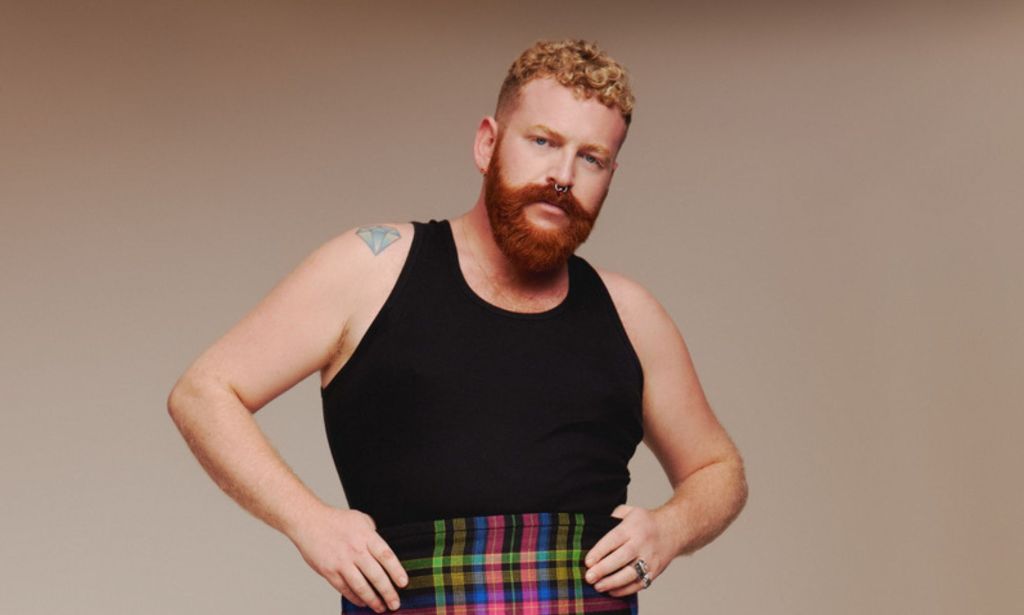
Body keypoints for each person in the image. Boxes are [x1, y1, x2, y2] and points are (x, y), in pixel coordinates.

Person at [168, 39, 748, 614]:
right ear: (487, 143)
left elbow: (718, 471)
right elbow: (203, 392)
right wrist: (310, 523)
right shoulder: (372, 268)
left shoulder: (630, 312)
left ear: (610, 174)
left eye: (591, 157)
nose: (563, 176)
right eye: (543, 141)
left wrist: (669, 529)